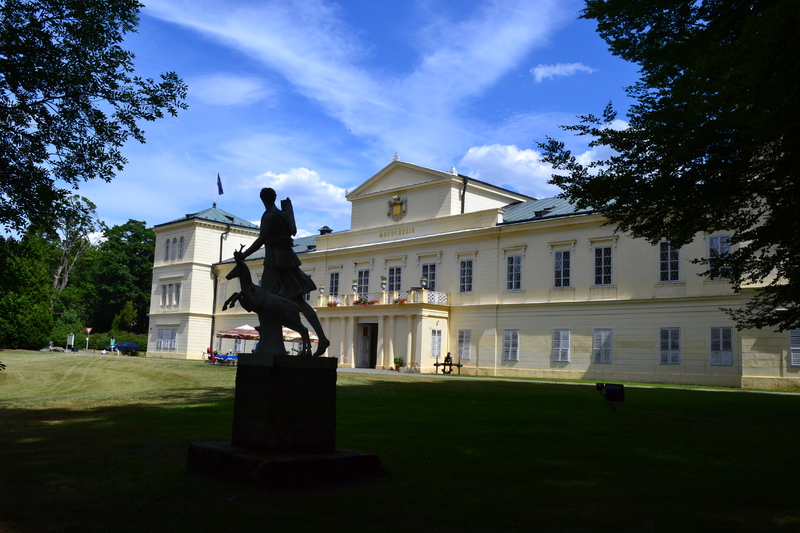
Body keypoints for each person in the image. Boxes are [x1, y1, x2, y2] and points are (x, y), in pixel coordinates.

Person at [239, 187, 330, 356]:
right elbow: (293, 231)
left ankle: (267, 334)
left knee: (265, 296)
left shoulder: (270, 215)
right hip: (287, 259)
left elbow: (261, 240)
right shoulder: (282, 214)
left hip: (276, 262)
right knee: (298, 302)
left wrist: (243, 255)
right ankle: (321, 338)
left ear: (263, 199)